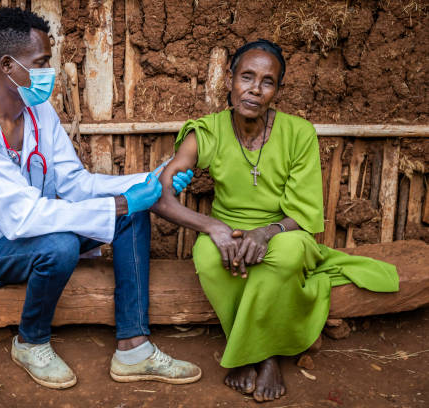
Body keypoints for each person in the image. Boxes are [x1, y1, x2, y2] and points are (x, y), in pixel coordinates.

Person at [0, 8, 201, 389]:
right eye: (40, 63)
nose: (48, 72)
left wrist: (149, 179)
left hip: (32, 229)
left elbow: (75, 182)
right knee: (59, 246)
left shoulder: (37, 110)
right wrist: (121, 203)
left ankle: (133, 348)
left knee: (130, 214)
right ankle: (30, 342)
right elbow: (20, 218)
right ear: (8, 65)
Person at [152, 39, 399, 402]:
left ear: (277, 90)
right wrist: (214, 227)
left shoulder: (298, 134)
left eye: (267, 82)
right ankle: (263, 351)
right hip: (226, 229)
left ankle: (258, 357)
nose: (254, 89)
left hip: (284, 229)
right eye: (246, 77)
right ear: (228, 79)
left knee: (283, 257)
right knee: (208, 258)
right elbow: (161, 194)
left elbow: (304, 213)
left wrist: (267, 232)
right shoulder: (206, 131)